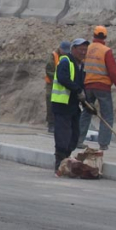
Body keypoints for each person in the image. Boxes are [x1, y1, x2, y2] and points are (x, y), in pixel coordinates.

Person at [78, 26, 116, 151]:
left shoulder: (87, 50)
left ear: (94, 35)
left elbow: (82, 67)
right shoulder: (106, 51)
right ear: (105, 37)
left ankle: (78, 140)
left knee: (86, 113)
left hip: (88, 85)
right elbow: (113, 72)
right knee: (107, 115)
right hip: (103, 87)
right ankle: (103, 143)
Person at [51, 38, 89, 172]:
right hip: (62, 104)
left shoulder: (81, 65)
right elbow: (63, 78)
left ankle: (66, 159)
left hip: (72, 105)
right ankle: (59, 163)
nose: (83, 52)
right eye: (80, 50)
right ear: (73, 50)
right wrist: (77, 90)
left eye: (85, 50)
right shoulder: (65, 61)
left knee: (74, 134)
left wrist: (87, 103)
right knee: (63, 135)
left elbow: (81, 85)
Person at [44, 43, 63, 133]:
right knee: (50, 103)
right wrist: (58, 77)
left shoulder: (66, 56)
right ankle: (51, 124)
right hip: (51, 84)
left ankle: (58, 124)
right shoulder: (53, 56)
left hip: (61, 84)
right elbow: (48, 71)